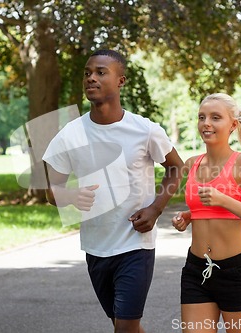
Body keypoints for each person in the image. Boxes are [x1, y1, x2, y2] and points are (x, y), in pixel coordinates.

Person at [43, 49, 184, 333]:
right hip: (96, 246)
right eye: (87, 73)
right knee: (122, 325)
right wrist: (70, 196)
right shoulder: (70, 134)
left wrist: (156, 208)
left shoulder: (144, 130)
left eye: (100, 72)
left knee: (126, 326)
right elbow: (50, 191)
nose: (91, 78)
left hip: (135, 243)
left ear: (121, 81)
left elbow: (176, 168)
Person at [171, 93, 241, 333]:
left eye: (215, 117)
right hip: (196, 270)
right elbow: (204, 209)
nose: (206, 123)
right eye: (202, 117)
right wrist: (188, 216)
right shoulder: (192, 164)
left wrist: (225, 200)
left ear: (232, 125)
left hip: (238, 272)